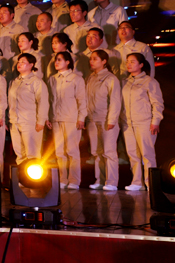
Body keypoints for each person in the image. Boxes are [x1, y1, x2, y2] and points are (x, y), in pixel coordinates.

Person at [121, 53, 164, 191]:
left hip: (144, 122)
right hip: (128, 123)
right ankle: (137, 182)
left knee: (147, 154)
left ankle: (151, 184)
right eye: (127, 61)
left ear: (141, 65)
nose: (129, 64)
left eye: (132, 62)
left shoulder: (150, 82)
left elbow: (157, 103)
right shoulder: (125, 82)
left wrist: (155, 121)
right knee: (132, 154)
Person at [48, 51, 87, 189]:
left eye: (59, 60)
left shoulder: (76, 79)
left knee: (72, 151)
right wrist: (49, 117)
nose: (56, 62)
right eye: (56, 60)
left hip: (71, 119)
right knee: (59, 152)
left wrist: (81, 118)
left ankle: (74, 180)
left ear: (68, 62)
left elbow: (82, 100)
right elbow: (50, 100)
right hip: (56, 119)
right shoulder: (52, 79)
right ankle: (62, 179)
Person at [85, 50, 122, 191]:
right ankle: (100, 180)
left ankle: (111, 182)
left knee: (109, 152)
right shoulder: (90, 78)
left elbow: (115, 101)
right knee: (97, 152)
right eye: (91, 59)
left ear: (104, 61)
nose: (91, 61)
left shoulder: (110, 78)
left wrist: (112, 119)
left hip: (106, 119)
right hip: (93, 120)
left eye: (95, 59)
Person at [8, 53, 49, 165]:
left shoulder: (36, 82)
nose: (19, 64)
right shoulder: (14, 82)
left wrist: (41, 121)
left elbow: (43, 102)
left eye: (23, 62)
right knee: (19, 153)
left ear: (31, 65)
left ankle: (33, 176)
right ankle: (21, 176)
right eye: (18, 62)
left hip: (30, 122)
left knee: (32, 153)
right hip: (14, 121)